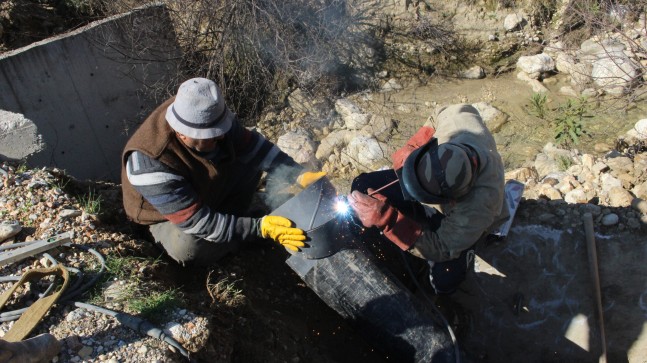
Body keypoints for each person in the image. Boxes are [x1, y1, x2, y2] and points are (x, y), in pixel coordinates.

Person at [121, 77, 325, 265]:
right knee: (190, 247)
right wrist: (258, 229)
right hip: (166, 216)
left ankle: (234, 222)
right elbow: (198, 222)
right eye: (211, 136)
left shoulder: (203, 108)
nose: (219, 138)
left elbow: (254, 147)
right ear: (182, 134)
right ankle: (235, 240)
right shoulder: (151, 163)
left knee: (249, 160)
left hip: (201, 187)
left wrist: (298, 173)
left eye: (220, 131)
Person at [348, 104, 509, 294]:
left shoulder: (478, 206)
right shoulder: (457, 122)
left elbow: (443, 247)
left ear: (451, 199)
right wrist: (414, 146)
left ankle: (464, 252)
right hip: (433, 182)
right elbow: (439, 113)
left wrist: (388, 220)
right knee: (364, 184)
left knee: (444, 279)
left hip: (459, 225)